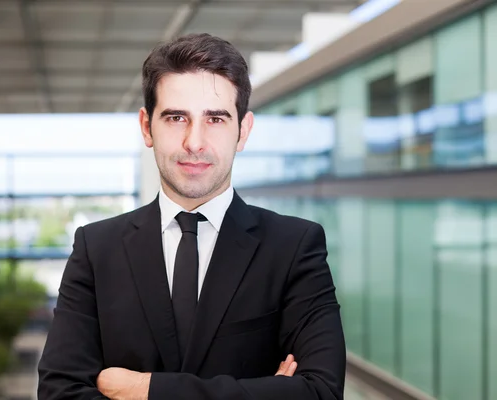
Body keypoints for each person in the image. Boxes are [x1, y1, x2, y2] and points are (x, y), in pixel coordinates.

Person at [37, 33, 346, 400]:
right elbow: (59, 393)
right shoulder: (96, 248)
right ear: (146, 126)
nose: (194, 142)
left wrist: (144, 389)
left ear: (243, 131)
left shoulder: (294, 246)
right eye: (176, 117)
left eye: (215, 119)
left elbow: (321, 392)